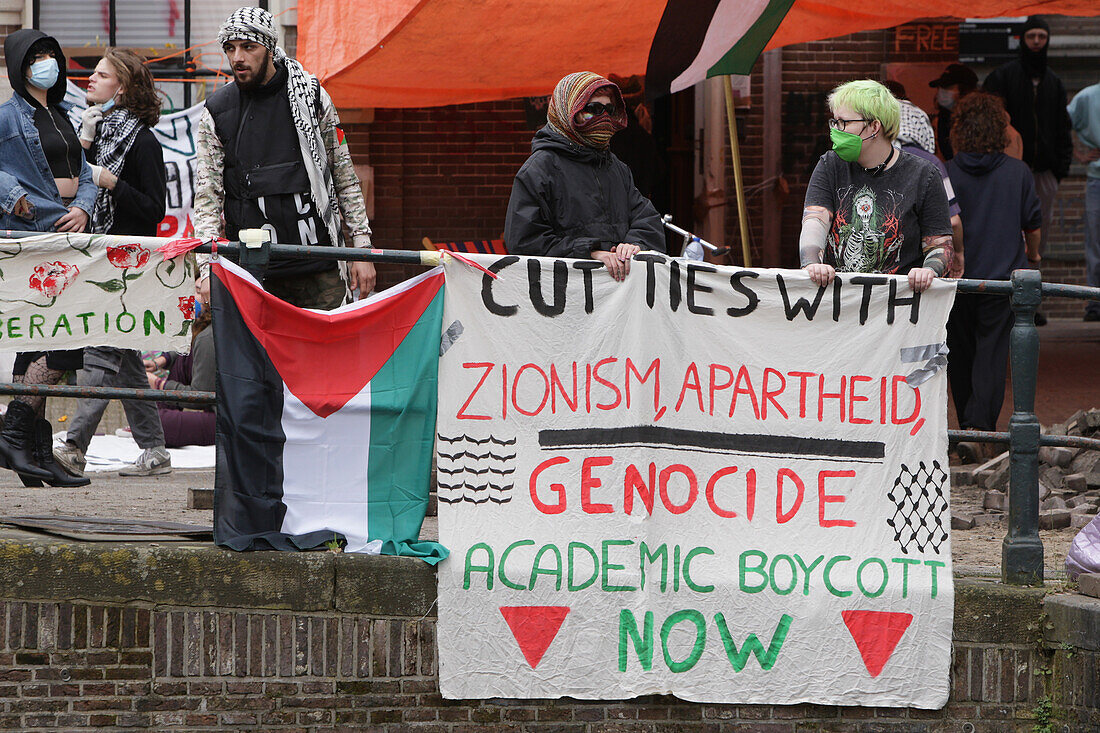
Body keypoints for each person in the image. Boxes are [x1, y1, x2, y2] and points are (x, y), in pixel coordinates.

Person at [193, 6, 375, 309]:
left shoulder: (311, 97)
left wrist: (362, 249)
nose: (237, 57)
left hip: (319, 267)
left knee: (325, 354)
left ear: (269, 47)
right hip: (252, 271)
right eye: (230, 48)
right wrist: (206, 269)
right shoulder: (217, 111)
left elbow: (344, 174)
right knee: (257, 357)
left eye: (248, 47)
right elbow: (207, 195)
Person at [51, 48, 172, 479]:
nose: (90, 80)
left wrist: (112, 182)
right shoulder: (98, 132)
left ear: (121, 87)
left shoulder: (142, 141)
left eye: (100, 75)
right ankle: (155, 451)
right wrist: (83, 146)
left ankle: (74, 446)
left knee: (102, 350)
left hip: (127, 264)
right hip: (99, 258)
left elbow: (154, 209)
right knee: (126, 362)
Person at [0, 30, 95, 487]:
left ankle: (29, 446)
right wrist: (13, 195)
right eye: (36, 56)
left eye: (51, 56)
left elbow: (86, 173)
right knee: (61, 337)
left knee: (49, 336)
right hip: (34, 236)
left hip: (70, 234)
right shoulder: (7, 116)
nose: (45, 63)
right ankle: (18, 433)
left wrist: (84, 206)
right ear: (19, 64)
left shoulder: (63, 115)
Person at [946, 93, 1041, 448]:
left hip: (958, 280)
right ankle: (978, 428)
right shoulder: (1018, 172)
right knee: (992, 352)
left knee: (960, 352)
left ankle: (965, 428)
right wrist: (1034, 257)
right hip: (1003, 281)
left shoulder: (948, 171)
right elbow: (1032, 224)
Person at [504, 71, 665, 280]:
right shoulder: (539, 170)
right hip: (565, 299)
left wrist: (634, 244)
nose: (603, 118)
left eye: (609, 109)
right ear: (567, 111)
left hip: (615, 298)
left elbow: (647, 220)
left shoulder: (616, 168)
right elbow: (523, 241)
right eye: (593, 110)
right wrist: (589, 253)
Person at [799, 80, 952, 293]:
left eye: (843, 122)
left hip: (897, 307)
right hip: (840, 302)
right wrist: (811, 262)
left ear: (874, 126)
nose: (836, 130)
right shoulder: (829, 165)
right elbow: (815, 220)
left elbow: (940, 245)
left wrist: (929, 270)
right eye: (834, 122)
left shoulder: (924, 175)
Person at [983, 16, 1073, 316]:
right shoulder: (1003, 77)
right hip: (1008, 171)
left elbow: (1063, 126)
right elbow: (991, 121)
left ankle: (1030, 302)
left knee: (1038, 235)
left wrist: (1060, 167)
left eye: (1042, 36)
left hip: (1044, 171)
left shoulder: (1054, 82)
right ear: (1022, 40)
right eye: (1031, 36)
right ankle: (1006, 298)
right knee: (1008, 231)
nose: (1037, 41)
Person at [891, 89, 964, 277]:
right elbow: (953, 221)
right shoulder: (931, 162)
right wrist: (959, 253)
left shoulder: (873, 159)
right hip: (919, 271)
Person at [145, 276, 215, 448]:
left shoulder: (209, 337)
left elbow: (200, 396)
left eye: (199, 291)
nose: (193, 296)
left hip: (225, 421)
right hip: (219, 412)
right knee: (151, 419)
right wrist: (160, 361)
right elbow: (185, 352)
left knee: (153, 424)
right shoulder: (202, 330)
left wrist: (158, 383)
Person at [1067, 80, 1100, 321]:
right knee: (1095, 242)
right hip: (1096, 178)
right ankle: (1095, 303)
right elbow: (1059, 124)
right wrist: (1077, 154)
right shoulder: (1088, 97)